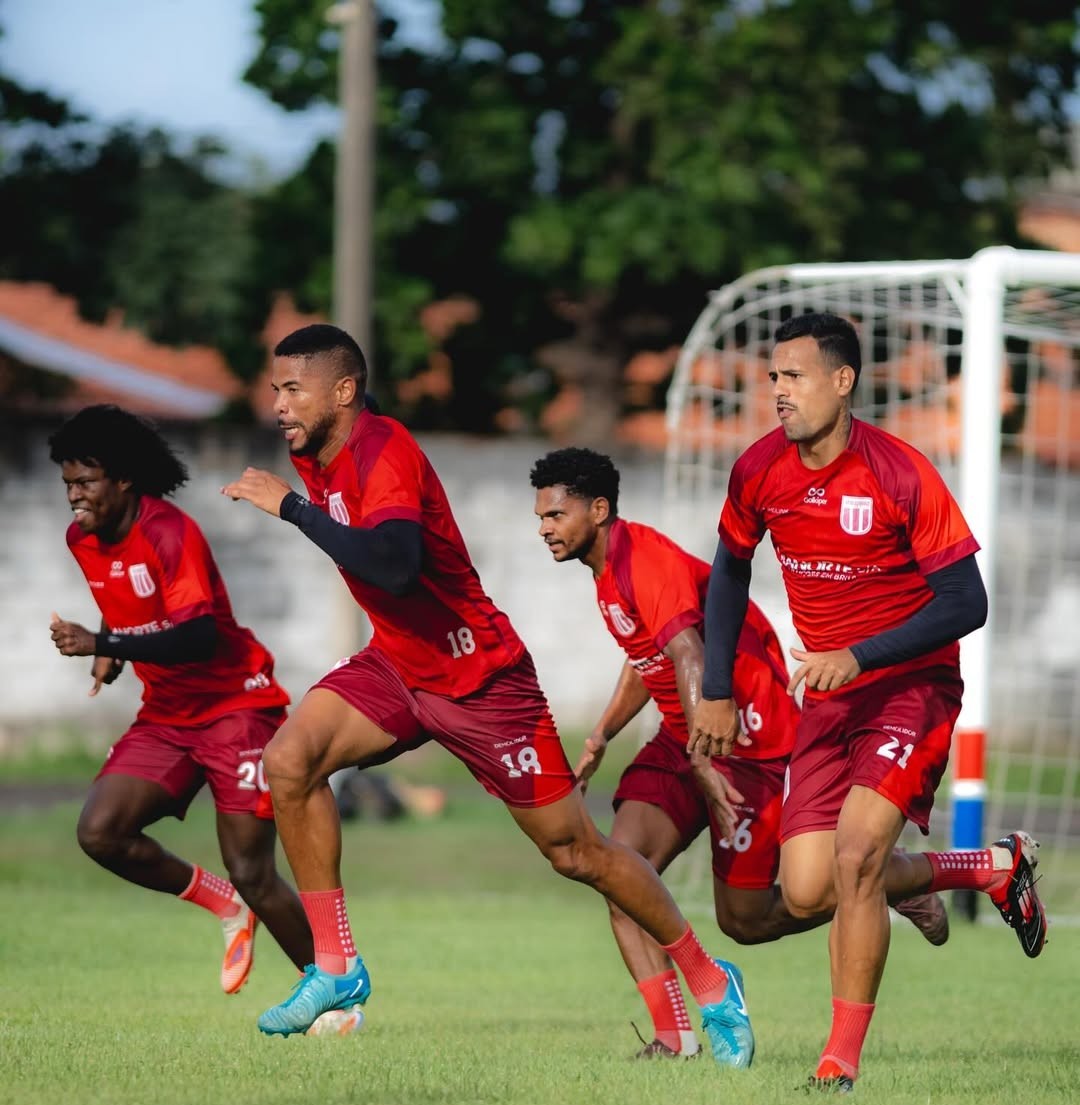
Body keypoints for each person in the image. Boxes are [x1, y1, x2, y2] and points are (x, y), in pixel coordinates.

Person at [221, 323, 752, 1068]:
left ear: (343, 391)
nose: (277, 403)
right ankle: (337, 968)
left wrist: (292, 510)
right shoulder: (313, 449)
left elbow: (400, 567)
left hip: (481, 680)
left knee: (578, 853)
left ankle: (707, 974)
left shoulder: (385, 451)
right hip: (400, 666)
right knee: (289, 762)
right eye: (275, 388)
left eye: (291, 388)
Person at [689, 312, 1048, 1092]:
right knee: (810, 889)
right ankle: (990, 865)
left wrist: (857, 654)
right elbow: (727, 572)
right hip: (827, 700)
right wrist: (714, 686)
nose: (777, 390)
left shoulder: (898, 471)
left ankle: (838, 1063)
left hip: (909, 687)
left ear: (842, 381)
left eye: (794, 375)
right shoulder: (758, 470)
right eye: (773, 376)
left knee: (855, 862)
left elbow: (966, 600)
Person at [530, 446, 949, 1062]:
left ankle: (904, 880)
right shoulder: (608, 573)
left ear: (597, 510)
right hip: (688, 741)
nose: (543, 529)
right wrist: (601, 736)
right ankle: (675, 1039)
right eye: (539, 517)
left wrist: (704, 761)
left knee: (748, 920)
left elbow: (690, 658)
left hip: (751, 746)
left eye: (554, 516)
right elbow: (647, 658)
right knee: (619, 870)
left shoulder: (646, 561)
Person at [47, 404, 315, 1002]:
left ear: (122, 479)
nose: (73, 497)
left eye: (84, 482)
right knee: (101, 832)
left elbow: (199, 636)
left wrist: (105, 641)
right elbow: (133, 600)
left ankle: (332, 991)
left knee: (253, 871)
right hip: (168, 715)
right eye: (67, 483)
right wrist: (111, 648)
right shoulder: (82, 538)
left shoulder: (171, 533)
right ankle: (222, 905)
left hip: (236, 708)